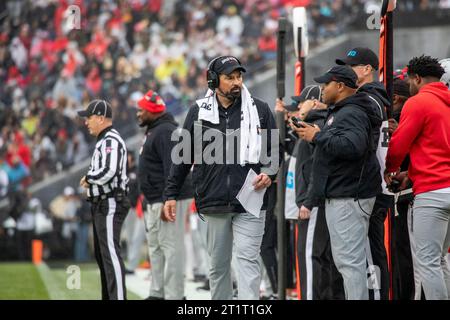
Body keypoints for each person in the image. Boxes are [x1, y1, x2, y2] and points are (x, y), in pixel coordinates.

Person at [163, 56, 280, 300]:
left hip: (251, 200)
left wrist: (269, 174)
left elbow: (274, 151)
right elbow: (183, 156)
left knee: (248, 264)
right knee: (218, 268)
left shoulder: (259, 110)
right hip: (213, 201)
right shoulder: (198, 112)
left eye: (239, 76)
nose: (237, 82)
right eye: (230, 77)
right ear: (214, 81)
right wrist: (171, 194)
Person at [297, 65, 382, 300]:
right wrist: (319, 135)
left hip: (349, 195)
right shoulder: (344, 110)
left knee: (350, 264)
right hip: (346, 194)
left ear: (341, 86)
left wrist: (318, 136)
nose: (322, 89)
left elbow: (354, 146)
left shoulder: (351, 111)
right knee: (348, 263)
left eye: (326, 85)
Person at [385, 55, 450, 300]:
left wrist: (390, 169)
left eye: (410, 79)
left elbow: (399, 146)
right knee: (441, 259)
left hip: (431, 192)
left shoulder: (418, 102)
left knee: (428, 262)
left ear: (417, 78)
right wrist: (409, 174)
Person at [336, 47, 391, 299]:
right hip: (375, 182)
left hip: (373, 185)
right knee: (366, 251)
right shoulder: (372, 97)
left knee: (370, 253)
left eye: (351, 66)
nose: (346, 72)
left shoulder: (369, 99)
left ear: (367, 69)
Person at [136, 89, 193, 300]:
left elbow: (174, 167)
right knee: (157, 247)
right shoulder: (156, 130)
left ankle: (175, 296)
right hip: (157, 198)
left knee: (171, 247)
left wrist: (168, 198)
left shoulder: (166, 131)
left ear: (152, 111)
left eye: (141, 110)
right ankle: (158, 293)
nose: (138, 114)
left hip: (167, 198)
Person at [289, 85, 345, 300]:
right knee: (323, 258)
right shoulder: (316, 123)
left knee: (311, 257)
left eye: (300, 102)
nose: (297, 107)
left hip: (313, 203)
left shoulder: (317, 124)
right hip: (315, 201)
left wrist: (308, 201)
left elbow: (316, 167)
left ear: (313, 101)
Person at [78, 99, 130, 300]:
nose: (86, 122)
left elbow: (110, 170)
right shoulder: (105, 139)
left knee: (111, 255)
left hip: (110, 201)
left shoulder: (110, 140)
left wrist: (89, 178)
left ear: (100, 118)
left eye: (89, 117)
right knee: (104, 256)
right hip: (103, 202)